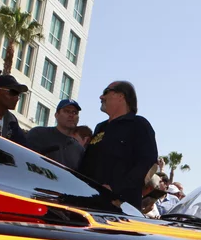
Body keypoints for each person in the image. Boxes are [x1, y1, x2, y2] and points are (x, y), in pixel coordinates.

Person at [80, 81, 159, 209]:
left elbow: (147, 163)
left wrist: (116, 188)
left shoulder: (139, 125)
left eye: (106, 92)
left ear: (121, 96)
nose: (101, 97)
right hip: (90, 203)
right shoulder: (101, 127)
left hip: (121, 207)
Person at [25, 98, 84, 170]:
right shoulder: (39, 134)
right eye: (67, 111)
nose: (71, 115)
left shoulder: (79, 150)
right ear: (56, 115)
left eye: (75, 112)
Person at [0, 74, 27, 145]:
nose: (16, 98)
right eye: (13, 92)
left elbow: (24, 147)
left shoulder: (12, 122)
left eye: (18, 94)